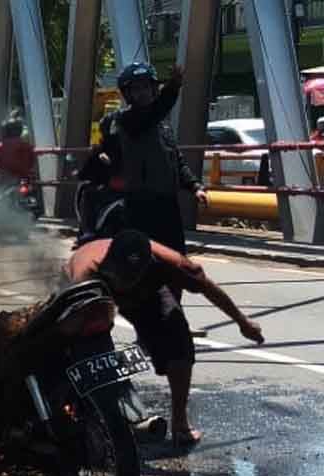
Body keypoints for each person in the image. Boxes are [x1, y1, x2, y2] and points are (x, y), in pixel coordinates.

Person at [67, 229, 264, 446]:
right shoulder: (86, 273)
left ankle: (180, 422)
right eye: (121, 276)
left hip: (147, 296)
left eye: (131, 277)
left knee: (178, 338)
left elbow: (208, 288)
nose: (125, 283)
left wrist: (242, 322)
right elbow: (70, 325)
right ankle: (87, 415)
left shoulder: (174, 265)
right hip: (94, 297)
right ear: (110, 263)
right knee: (91, 350)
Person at [101, 63, 209, 255]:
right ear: (128, 94)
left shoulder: (162, 125)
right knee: (140, 262)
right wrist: (173, 87)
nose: (143, 93)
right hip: (140, 206)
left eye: (146, 87)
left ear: (154, 89)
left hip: (168, 205)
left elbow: (176, 160)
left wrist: (195, 187)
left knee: (178, 262)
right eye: (136, 88)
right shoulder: (128, 121)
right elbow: (156, 111)